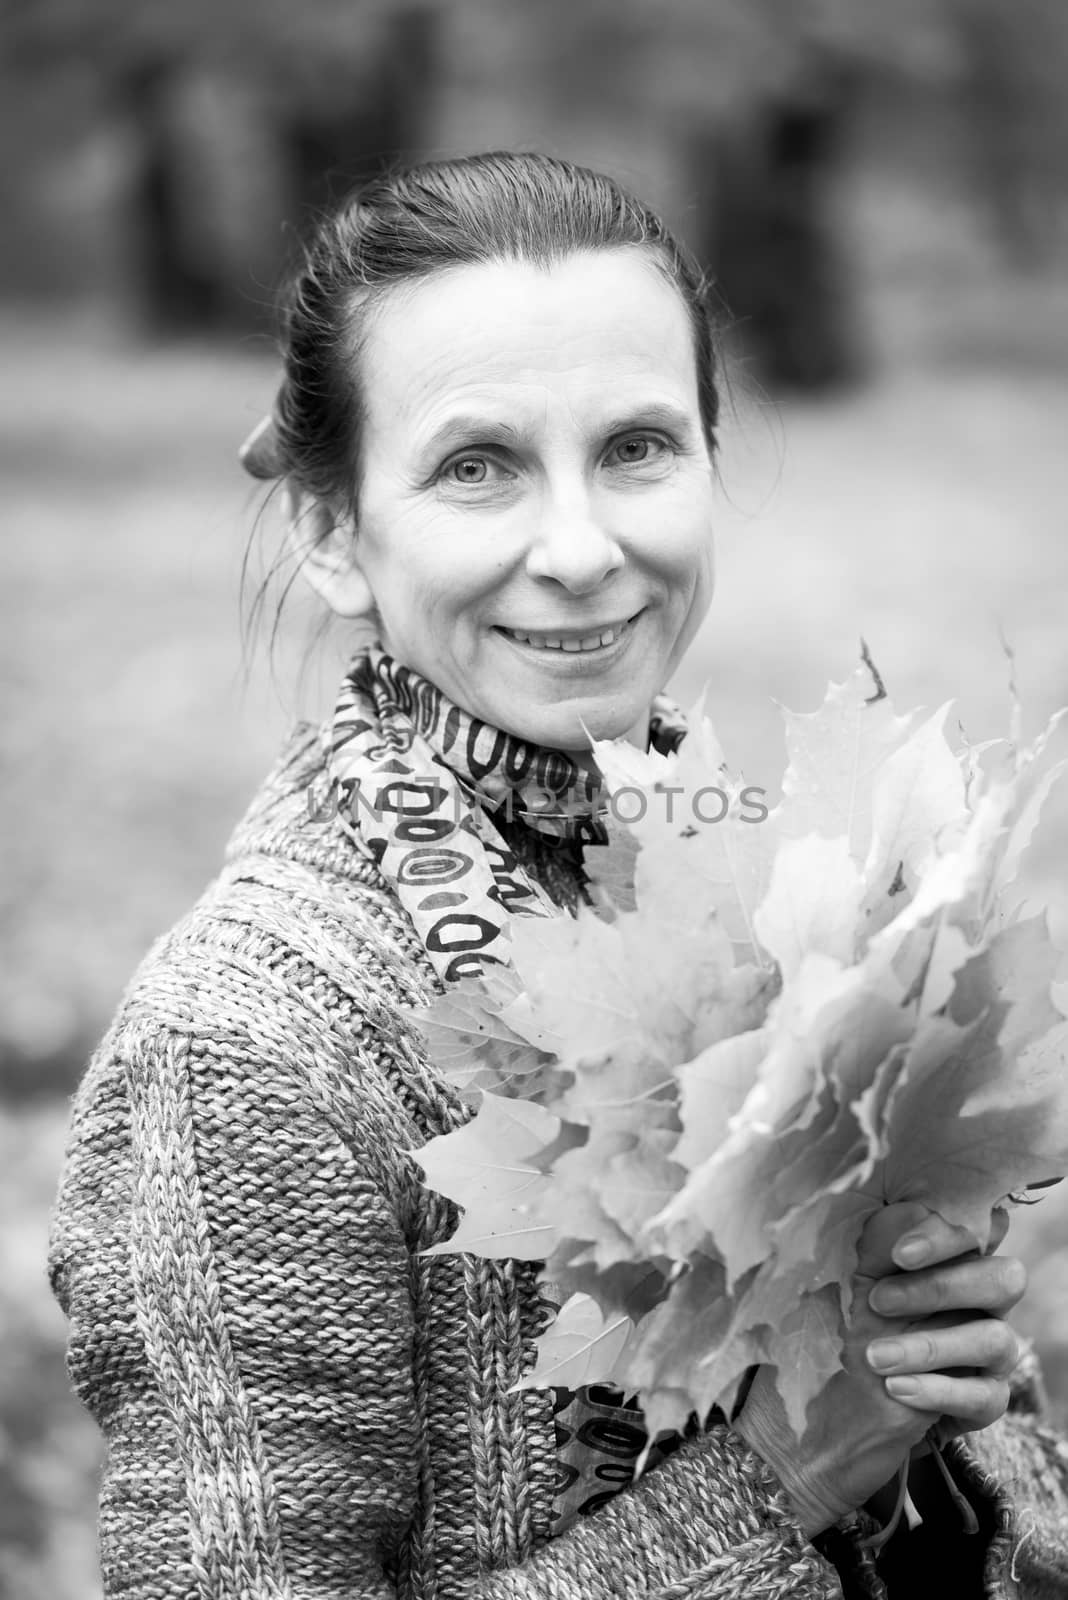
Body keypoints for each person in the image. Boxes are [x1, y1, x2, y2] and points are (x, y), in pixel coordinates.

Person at [48, 151, 1068, 1600]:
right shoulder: (252, 1042)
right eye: (480, 467)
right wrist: (784, 1480)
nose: (583, 549)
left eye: (640, 447)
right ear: (333, 531)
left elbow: (939, 1459)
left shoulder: (787, 898)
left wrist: (950, 1400)